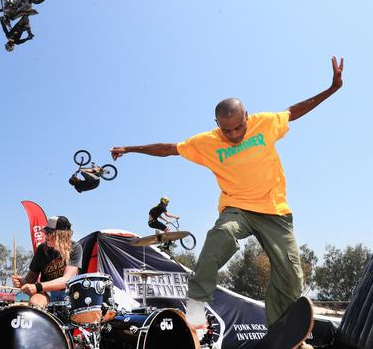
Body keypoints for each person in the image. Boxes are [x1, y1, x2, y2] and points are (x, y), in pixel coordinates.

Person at [110, 57, 343, 348]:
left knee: (292, 273)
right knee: (221, 234)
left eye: (238, 128)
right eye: (226, 130)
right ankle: (195, 307)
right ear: (217, 125)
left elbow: (294, 110)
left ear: (247, 116)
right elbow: (169, 149)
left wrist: (331, 89)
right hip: (237, 208)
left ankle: (282, 331)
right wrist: (130, 149)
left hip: (274, 212)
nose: (233, 135)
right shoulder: (207, 142)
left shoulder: (266, 123)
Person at [12, 216, 83, 307]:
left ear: (62, 235)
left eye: (50, 233)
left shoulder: (75, 248)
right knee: (35, 303)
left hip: (69, 293)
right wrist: (22, 282)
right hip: (46, 293)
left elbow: (67, 280)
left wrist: (38, 286)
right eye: (46, 232)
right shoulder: (41, 249)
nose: (46, 236)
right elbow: (31, 278)